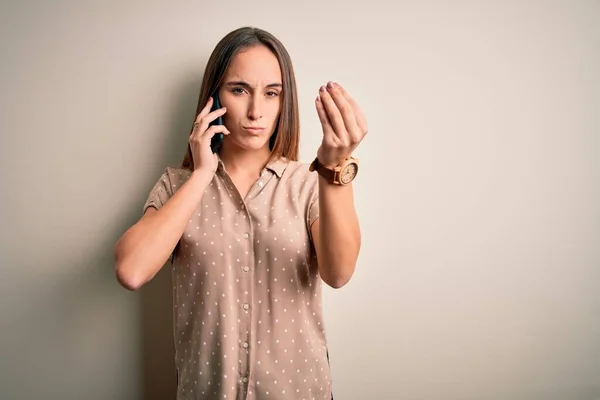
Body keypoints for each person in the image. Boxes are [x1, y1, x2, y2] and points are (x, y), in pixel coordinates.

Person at [114, 26, 368, 400]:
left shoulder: (309, 183)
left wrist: (334, 169)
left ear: (285, 102)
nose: (255, 111)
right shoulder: (176, 185)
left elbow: (339, 272)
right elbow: (131, 271)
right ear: (214, 96)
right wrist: (202, 174)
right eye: (239, 90)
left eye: (271, 94)